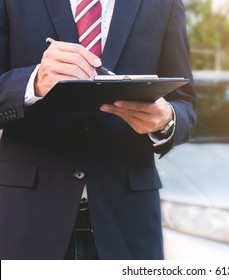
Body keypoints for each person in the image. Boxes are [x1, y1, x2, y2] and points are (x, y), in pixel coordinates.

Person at [0, 0, 196, 260]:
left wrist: (166, 120)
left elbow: (186, 106)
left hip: (128, 225)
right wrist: (33, 83)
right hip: (28, 221)